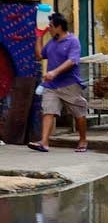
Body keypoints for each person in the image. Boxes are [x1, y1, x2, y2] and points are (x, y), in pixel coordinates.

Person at [28, 12, 89, 153]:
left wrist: (54, 72)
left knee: (79, 113)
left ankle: (83, 139)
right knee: (48, 111)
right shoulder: (52, 43)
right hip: (51, 86)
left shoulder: (73, 41)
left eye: (50, 26)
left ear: (59, 27)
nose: (48, 28)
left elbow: (72, 61)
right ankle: (44, 143)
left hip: (70, 85)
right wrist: (39, 36)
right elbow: (39, 55)